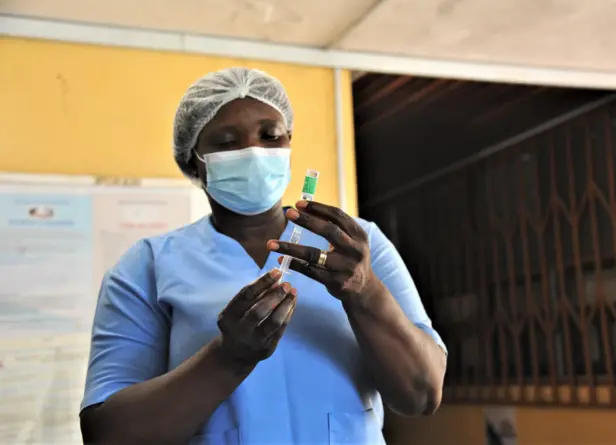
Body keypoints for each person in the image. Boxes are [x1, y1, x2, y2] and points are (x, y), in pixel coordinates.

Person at [79, 67, 447, 445]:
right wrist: (228, 357)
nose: (254, 151)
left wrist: (366, 292)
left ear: (289, 143)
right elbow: (109, 433)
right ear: (194, 162)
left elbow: (422, 395)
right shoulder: (148, 267)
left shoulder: (357, 245)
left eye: (270, 135)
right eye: (225, 142)